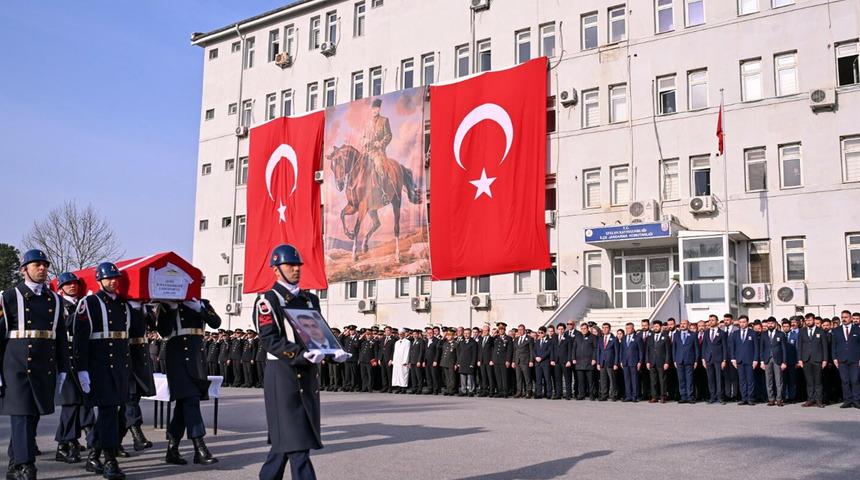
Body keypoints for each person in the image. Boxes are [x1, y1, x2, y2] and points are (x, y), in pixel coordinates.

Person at [253, 244, 349, 480]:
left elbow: (319, 332)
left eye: (298, 265)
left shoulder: (309, 300)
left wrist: (332, 351)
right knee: (297, 446)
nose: (296, 269)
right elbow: (269, 339)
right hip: (283, 376)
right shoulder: (268, 301)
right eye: (290, 265)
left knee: (285, 443)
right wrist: (299, 354)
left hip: (307, 376)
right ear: (276, 269)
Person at [1, 250, 69, 480]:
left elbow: (60, 337)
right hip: (16, 365)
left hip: (44, 366)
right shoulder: (9, 297)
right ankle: (25, 465)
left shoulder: (55, 300)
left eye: (44, 265)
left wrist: (64, 369)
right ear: (24, 270)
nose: (42, 268)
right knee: (21, 415)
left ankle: (13, 463)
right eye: (36, 265)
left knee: (32, 416)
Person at [72, 262, 130, 479]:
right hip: (100, 367)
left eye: (116, 278)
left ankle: (93, 454)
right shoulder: (89, 303)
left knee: (113, 413)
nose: (113, 281)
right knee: (107, 413)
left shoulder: (124, 305)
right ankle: (110, 460)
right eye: (108, 278)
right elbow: (80, 339)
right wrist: (82, 369)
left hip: (120, 368)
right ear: (99, 280)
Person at [154, 295, 221, 466]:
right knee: (191, 400)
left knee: (184, 405)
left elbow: (216, 323)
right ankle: (200, 448)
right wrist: (172, 310)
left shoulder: (202, 303)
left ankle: (172, 449)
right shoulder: (166, 305)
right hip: (176, 356)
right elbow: (163, 331)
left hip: (196, 356)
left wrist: (199, 308)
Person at [53, 272, 92, 464]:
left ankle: (70, 441)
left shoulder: (80, 304)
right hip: (65, 359)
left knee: (80, 403)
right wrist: (79, 312)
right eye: (68, 284)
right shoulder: (58, 304)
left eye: (75, 283)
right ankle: (64, 444)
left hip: (81, 359)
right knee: (70, 404)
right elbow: (63, 327)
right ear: (60, 287)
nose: (72, 286)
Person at [120, 300, 156, 452]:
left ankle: (107, 442)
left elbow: (155, 327)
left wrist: (147, 311)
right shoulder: (122, 305)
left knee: (131, 401)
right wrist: (134, 309)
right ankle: (137, 435)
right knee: (130, 398)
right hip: (125, 354)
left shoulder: (145, 308)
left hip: (141, 356)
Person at [363, 97, 393, 204]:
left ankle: (384, 193)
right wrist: (365, 140)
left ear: (379, 109)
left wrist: (380, 143)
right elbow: (363, 137)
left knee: (379, 166)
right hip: (367, 151)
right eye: (373, 109)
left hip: (378, 152)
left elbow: (389, 135)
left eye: (376, 108)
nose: (374, 110)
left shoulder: (384, 120)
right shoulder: (367, 124)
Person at [797, 313, 829, 408]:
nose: (808, 322)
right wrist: (799, 359)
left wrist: (825, 360)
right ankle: (810, 399)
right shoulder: (802, 331)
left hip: (818, 359)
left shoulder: (821, 331)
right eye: (806, 320)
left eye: (810, 320)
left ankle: (819, 400)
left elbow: (825, 347)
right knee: (809, 381)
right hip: (806, 359)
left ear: (814, 320)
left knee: (818, 381)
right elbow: (799, 346)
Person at [832, 310, 860, 408]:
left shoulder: (857, 329)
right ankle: (847, 400)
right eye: (842, 317)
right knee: (844, 381)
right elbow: (834, 345)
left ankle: (856, 400)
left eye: (846, 317)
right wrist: (834, 358)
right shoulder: (836, 330)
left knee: (855, 380)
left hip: (855, 359)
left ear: (851, 318)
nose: (844, 319)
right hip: (841, 359)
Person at [730, 316, 759, 406]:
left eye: (744, 322)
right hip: (739, 360)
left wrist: (755, 360)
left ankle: (750, 398)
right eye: (740, 322)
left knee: (750, 380)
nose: (742, 324)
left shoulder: (753, 333)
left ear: (747, 322)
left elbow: (756, 348)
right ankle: (744, 398)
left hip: (750, 360)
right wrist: (733, 359)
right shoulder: (735, 333)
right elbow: (732, 347)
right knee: (742, 380)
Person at [701, 315, 728, 404]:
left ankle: (720, 397)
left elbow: (724, 347)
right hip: (708, 358)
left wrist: (724, 360)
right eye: (709, 320)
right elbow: (704, 346)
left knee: (719, 378)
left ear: (717, 321)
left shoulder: (722, 333)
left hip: (719, 359)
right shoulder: (706, 332)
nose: (711, 322)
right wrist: (703, 359)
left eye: (713, 320)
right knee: (710, 378)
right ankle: (712, 397)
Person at [672, 320, 699, 404]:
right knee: (681, 379)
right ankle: (683, 396)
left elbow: (696, 349)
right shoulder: (676, 335)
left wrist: (696, 360)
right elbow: (674, 348)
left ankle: (690, 396)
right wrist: (674, 360)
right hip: (679, 360)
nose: (682, 325)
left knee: (689, 379)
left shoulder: (693, 335)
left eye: (684, 324)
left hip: (689, 360)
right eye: (681, 324)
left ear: (688, 325)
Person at [646, 320, 671, 404]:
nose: (655, 328)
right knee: (653, 380)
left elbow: (668, 351)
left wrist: (667, 362)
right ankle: (654, 397)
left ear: (660, 327)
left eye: (657, 326)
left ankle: (663, 396)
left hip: (662, 362)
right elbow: (647, 350)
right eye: (654, 327)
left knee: (662, 380)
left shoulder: (666, 337)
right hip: (652, 361)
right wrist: (647, 361)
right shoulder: (650, 337)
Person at [572, 322, 597, 400]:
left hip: (589, 362)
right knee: (581, 381)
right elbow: (574, 348)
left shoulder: (593, 337)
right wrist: (573, 358)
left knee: (590, 381)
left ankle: (592, 395)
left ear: (588, 329)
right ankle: (581, 394)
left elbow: (595, 349)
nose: (583, 330)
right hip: (579, 362)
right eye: (582, 329)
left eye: (585, 328)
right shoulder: (577, 337)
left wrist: (594, 359)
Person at [620, 323, 643, 403]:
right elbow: (621, 350)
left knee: (634, 379)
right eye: (626, 328)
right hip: (625, 362)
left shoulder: (638, 338)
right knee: (627, 380)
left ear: (633, 329)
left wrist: (640, 361)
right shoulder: (623, 338)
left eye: (629, 328)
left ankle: (635, 396)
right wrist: (621, 361)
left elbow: (641, 351)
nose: (627, 330)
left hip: (634, 361)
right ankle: (628, 395)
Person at [596, 323, 619, 401]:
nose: (605, 329)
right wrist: (598, 363)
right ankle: (604, 395)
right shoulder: (600, 339)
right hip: (602, 362)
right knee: (603, 380)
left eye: (606, 328)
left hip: (611, 363)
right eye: (603, 328)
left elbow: (617, 352)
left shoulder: (614, 339)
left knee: (612, 380)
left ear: (609, 329)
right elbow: (598, 352)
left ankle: (613, 395)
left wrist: (616, 363)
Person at [491, 322, 513, 399]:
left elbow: (509, 350)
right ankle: (500, 391)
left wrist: (508, 360)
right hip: (496, 360)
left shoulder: (508, 338)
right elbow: (493, 349)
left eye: (502, 329)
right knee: (498, 377)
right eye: (499, 329)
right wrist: (493, 359)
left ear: (505, 329)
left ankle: (505, 391)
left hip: (504, 360)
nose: (501, 331)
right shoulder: (495, 338)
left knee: (504, 377)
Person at [551, 323, 572, 400]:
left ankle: (568, 394)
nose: (560, 330)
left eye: (562, 329)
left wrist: (569, 360)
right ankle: (558, 394)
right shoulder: (554, 337)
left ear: (564, 329)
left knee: (567, 379)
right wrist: (552, 360)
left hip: (565, 361)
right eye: (559, 329)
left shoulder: (568, 338)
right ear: (557, 330)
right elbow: (552, 349)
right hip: (556, 361)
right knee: (557, 379)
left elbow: (570, 350)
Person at [512, 324, 533, 399]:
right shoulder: (516, 339)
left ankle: (528, 392)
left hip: (525, 361)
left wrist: (531, 361)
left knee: (527, 378)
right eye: (519, 330)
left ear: (524, 330)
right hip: (517, 361)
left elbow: (531, 351)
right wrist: (513, 361)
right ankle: (519, 392)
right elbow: (515, 351)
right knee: (519, 378)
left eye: (521, 329)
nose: (520, 331)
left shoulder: (529, 339)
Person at [532, 327, 553, 399]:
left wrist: (541, 357)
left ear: (545, 333)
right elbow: (533, 351)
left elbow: (549, 351)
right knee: (538, 379)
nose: (540, 334)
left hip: (545, 362)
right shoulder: (537, 341)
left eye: (542, 333)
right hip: (537, 363)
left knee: (547, 378)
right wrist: (536, 357)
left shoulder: (549, 341)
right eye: (539, 333)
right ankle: (539, 393)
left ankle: (549, 393)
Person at [391, 329, 411, 394]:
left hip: (403, 361)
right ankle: (398, 388)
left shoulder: (407, 342)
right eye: (399, 334)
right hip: (397, 361)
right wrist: (393, 361)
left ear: (404, 334)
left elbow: (407, 352)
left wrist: (405, 361)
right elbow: (395, 352)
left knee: (403, 375)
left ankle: (403, 388)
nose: (400, 335)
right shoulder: (396, 342)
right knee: (397, 375)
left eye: (402, 334)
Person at [477, 326, 495, 397]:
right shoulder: (480, 339)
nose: (484, 332)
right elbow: (479, 351)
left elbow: (493, 350)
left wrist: (492, 360)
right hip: (482, 361)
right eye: (483, 330)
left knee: (490, 377)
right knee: (483, 377)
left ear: (489, 331)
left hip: (489, 360)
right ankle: (484, 391)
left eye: (486, 330)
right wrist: (478, 360)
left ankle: (491, 391)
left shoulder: (492, 339)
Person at [438, 330, 457, 395]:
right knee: (446, 377)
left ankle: (452, 390)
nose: (448, 336)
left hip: (451, 362)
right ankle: (448, 389)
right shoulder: (445, 343)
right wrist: (442, 339)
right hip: (444, 362)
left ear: (453, 336)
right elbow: (438, 347)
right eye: (447, 335)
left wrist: (456, 363)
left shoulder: (455, 344)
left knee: (452, 377)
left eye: (449, 335)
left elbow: (457, 354)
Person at [407, 330, 425, 394]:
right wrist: (409, 361)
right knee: (413, 376)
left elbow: (421, 352)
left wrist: (419, 361)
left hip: (417, 361)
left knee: (419, 376)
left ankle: (419, 389)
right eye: (413, 334)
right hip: (412, 361)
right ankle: (414, 388)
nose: (414, 335)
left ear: (418, 334)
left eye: (416, 334)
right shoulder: (412, 341)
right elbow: (410, 352)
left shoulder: (421, 341)